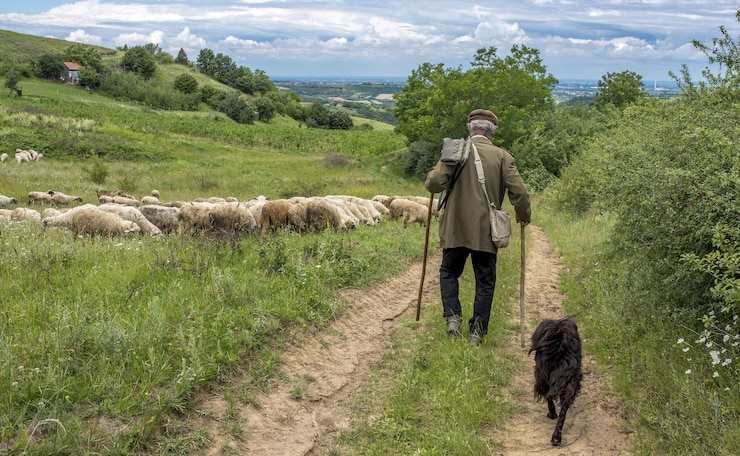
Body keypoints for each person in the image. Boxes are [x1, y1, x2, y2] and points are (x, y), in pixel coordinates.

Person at [424, 109, 531, 345]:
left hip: (455, 227)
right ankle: (477, 333)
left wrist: (436, 171)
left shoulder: (454, 151)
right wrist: (523, 216)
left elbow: (433, 184)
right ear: (492, 131)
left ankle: (453, 317)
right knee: (485, 281)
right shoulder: (503, 156)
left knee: (449, 272)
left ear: (470, 128)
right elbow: (520, 193)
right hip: (486, 230)